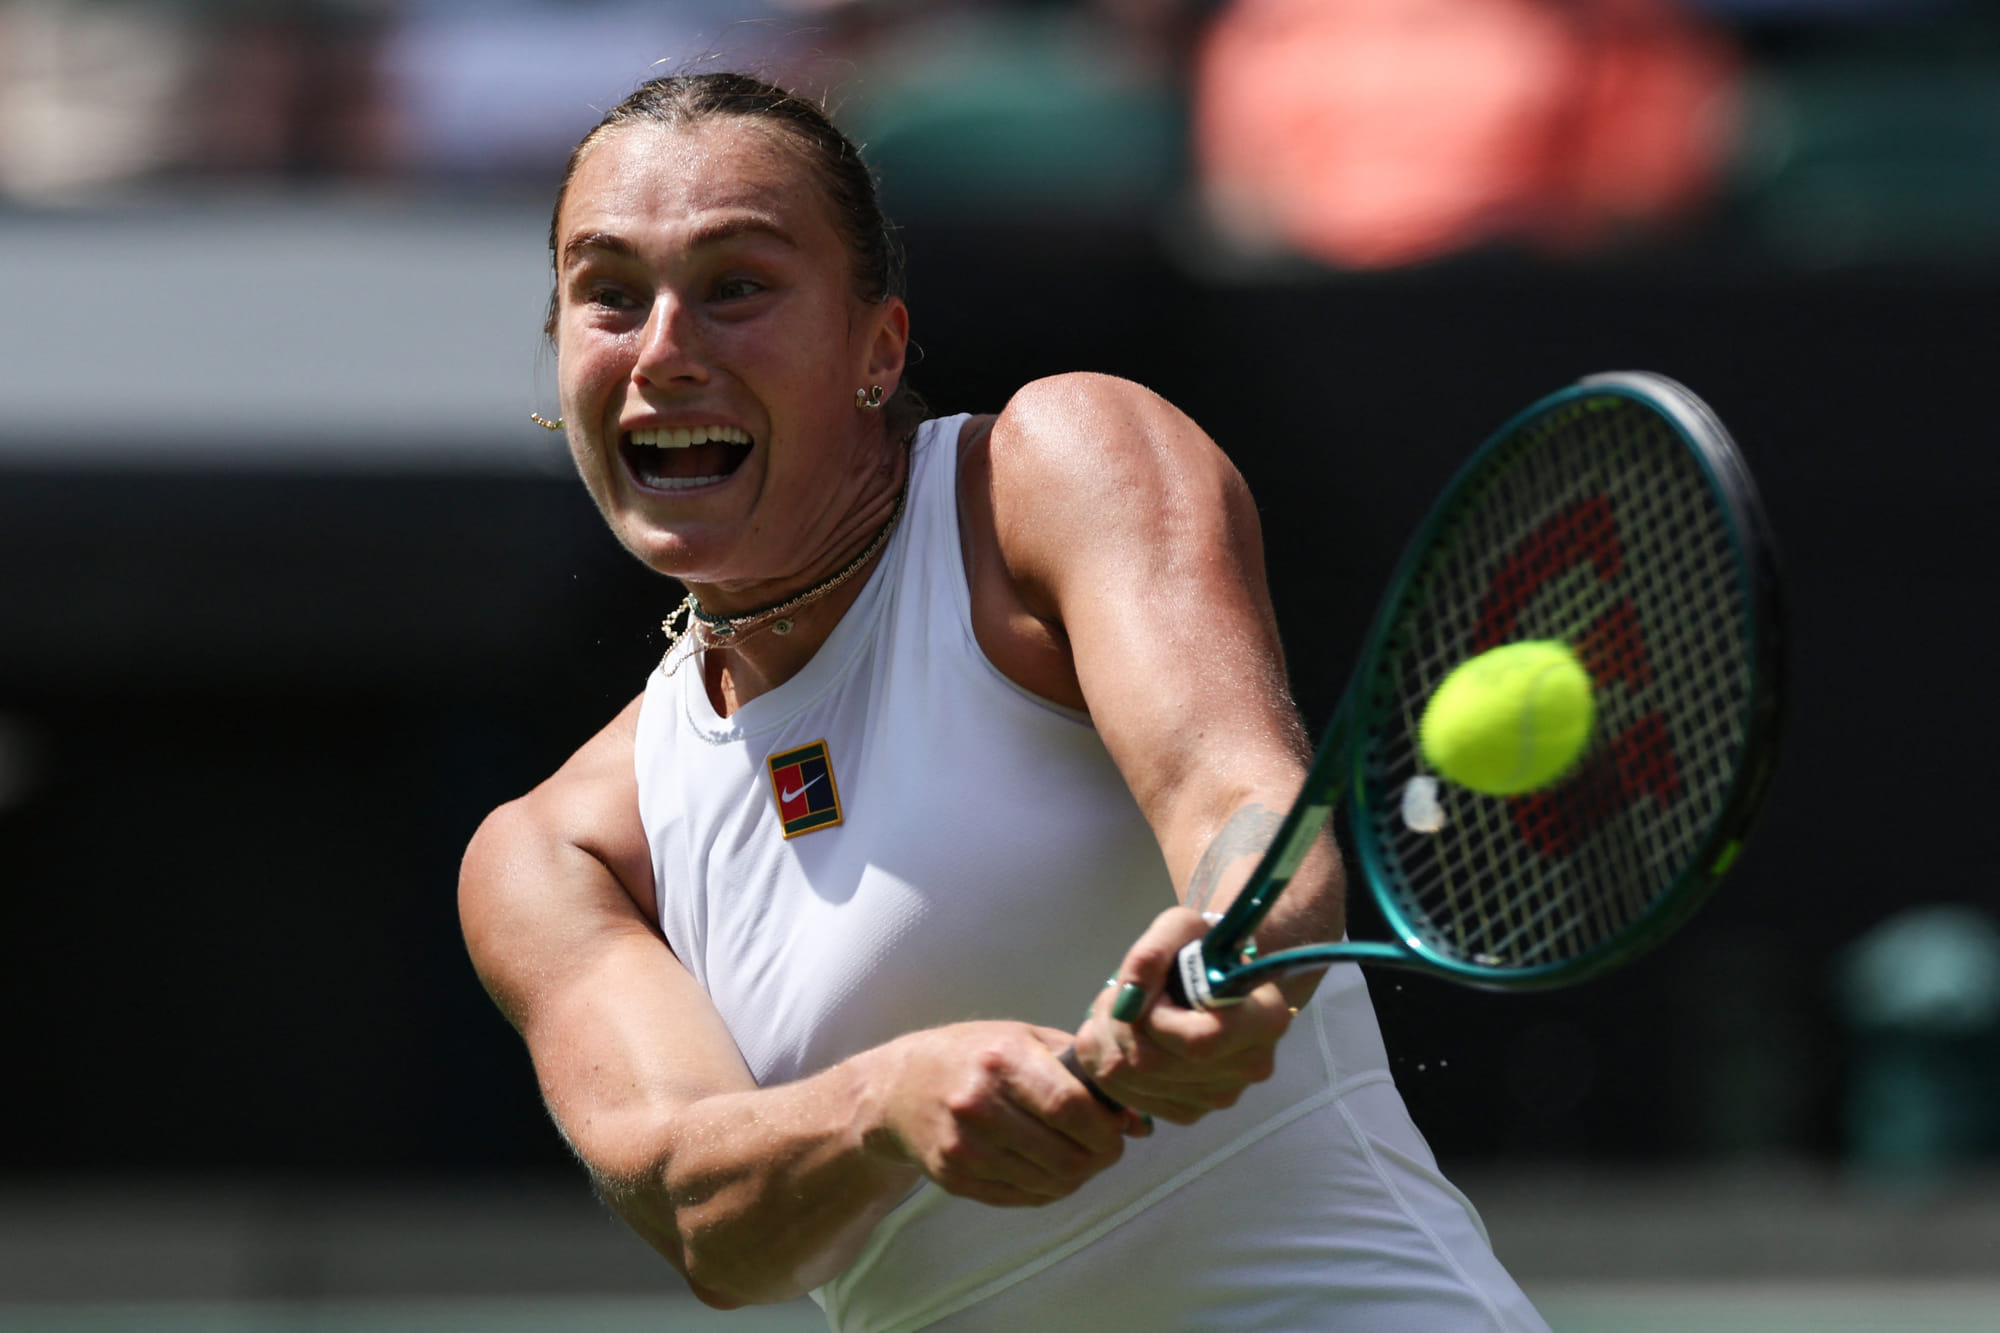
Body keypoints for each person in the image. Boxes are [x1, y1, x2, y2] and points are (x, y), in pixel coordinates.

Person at [459, 72, 1550, 1332]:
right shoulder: (557, 852)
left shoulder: (1056, 467)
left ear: (877, 348)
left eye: (736, 287)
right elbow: (705, 1215)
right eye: (609, 296)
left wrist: (1234, 951)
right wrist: (889, 1106)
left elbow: (1238, 794)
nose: (663, 351)